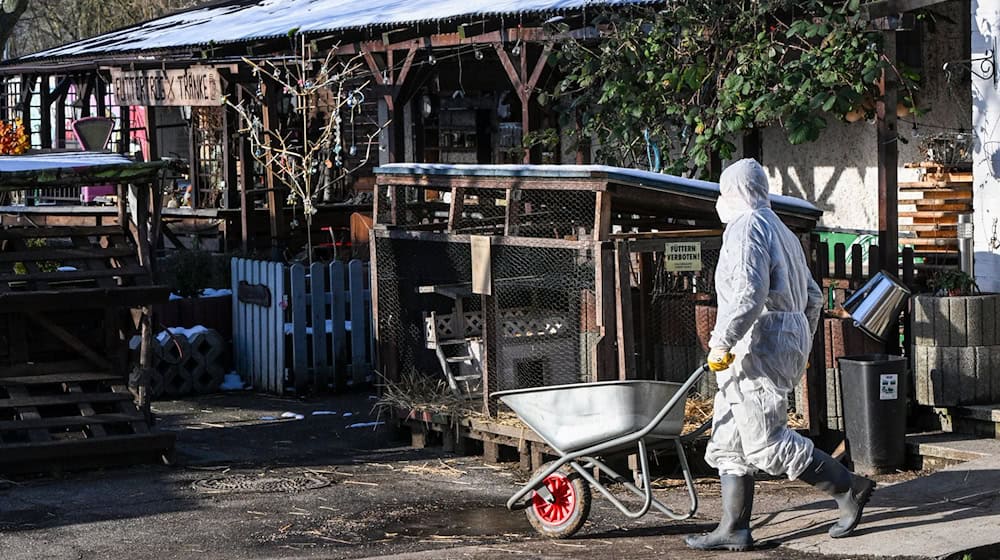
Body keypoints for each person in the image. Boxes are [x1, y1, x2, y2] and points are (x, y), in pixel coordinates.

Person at [685, 159, 875, 552]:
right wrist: (798, 339)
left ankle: (849, 488)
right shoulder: (782, 230)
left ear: (733, 192)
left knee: (765, 443)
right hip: (779, 339)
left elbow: (746, 294)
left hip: (755, 345)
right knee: (729, 441)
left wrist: (722, 341)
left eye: (724, 192)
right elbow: (814, 296)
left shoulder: (746, 227)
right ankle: (733, 528)